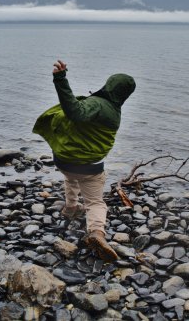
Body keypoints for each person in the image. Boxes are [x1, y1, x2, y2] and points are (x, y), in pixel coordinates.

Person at [33, 60, 136, 262]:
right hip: (89, 167)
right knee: (95, 202)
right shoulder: (112, 110)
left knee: (71, 178)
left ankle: (71, 207)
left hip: (64, 161)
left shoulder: (98, 104)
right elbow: (76, 111)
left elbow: (75, 111)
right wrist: (60, 80)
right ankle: (97, 232)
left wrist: (60, 77)